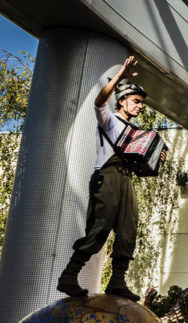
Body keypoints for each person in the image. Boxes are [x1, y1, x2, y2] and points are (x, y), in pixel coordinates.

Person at [57, 55, 166, 300]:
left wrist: (156, 159)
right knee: (99, 229)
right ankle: (68, 276)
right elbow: (98, 102)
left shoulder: (134, 131)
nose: (139, 106)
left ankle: (117, 281)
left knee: (128, 231)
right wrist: (120, 76)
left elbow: (140, 158)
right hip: (106, 178)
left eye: (141, 103)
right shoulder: (109, 120)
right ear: (122, 101)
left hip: (126, 180)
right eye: (136, 101)